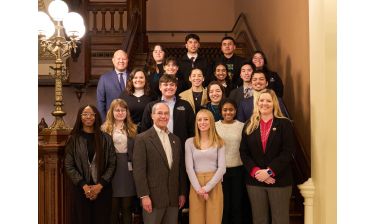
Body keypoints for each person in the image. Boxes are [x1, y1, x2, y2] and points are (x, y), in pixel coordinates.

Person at [240, 89, 296, 224]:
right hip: (255, 181)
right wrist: (256, 172)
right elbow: (243, 152)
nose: (264, 103)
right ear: (257, 103)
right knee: (259, 220)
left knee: (280, 219)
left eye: (268, 101)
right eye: (261, 100)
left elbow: (288, 152)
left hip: (279, 181)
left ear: (274, 104)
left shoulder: (284, 124)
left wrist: (270, 171)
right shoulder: (249, 125)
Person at [133, 102, 187, 224]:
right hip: (153, 199)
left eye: (166, 113)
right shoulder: (142, 139)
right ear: (152, 116)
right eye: (159, 113)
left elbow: (180, 169)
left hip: (173, 198)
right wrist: (144, 196)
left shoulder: (176, 140)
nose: (163, 116)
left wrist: (182, 193)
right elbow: (139, 171)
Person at [64, 105, 116, 224]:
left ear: (96, 117)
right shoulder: (73, 139)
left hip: (103, 189)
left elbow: (112, 164)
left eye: (92, 114)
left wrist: (100, 185)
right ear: (80, 117)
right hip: (80, 190)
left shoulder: (106, 138)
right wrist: (84, 186)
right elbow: (69, 165)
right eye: (85, 114)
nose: (88, 116)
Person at [185, 109, 226, 224]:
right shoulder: (189, 142)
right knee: (196, 219)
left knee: (214, 219)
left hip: (214, 184)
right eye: (199, 120)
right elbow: (189, 168)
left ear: (211, 122)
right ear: (196, 123)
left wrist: (206, 188)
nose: (202, 122)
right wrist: (199, 189)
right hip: (196, 185)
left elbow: (222, 168)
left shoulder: (219, 142)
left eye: (206, 119)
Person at [101, 99, 137, 224]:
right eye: (117, 110)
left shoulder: (133, 129)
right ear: (112, 112)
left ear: (127, 112)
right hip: (111, 169)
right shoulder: (104, 129)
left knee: (127, 207)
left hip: (127, 169)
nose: (120, 112)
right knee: (113, 208)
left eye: (123, 110)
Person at [140, 74, 195, 147]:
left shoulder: (185, 105)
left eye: (172, 85)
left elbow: (192, 129)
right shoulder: (151, 106)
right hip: (156, 147)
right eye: (165, 85)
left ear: (176, 87)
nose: (169, 87)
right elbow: (144, 129)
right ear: (160, 87)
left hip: (180, 146)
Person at [215, 99, 245, 224]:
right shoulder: (215, 126)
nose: (228, 112)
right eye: (225, 110)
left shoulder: (242, 126)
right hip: (220, 172)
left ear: (235, 111)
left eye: (231, 110)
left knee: (237, 205)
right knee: (223, 205)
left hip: (238, 170)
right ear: (221, 111)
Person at [97, 50, 130, 120]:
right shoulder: (104, 78)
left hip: (130, 120)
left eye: (124, 59)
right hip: (110, 121)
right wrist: (104, 122)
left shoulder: (134, 77)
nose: (121, 61)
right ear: (113, 60)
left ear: (127, 60)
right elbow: (100, 102)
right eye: (118, 59)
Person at [119, 68, 154, 133]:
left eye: (141, 77)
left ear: (145, 80)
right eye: (135, 78)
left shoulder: (152, 95)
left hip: (148, 132)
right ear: (131, 80)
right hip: (128, 131)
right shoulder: (123, 95)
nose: (138, 80)